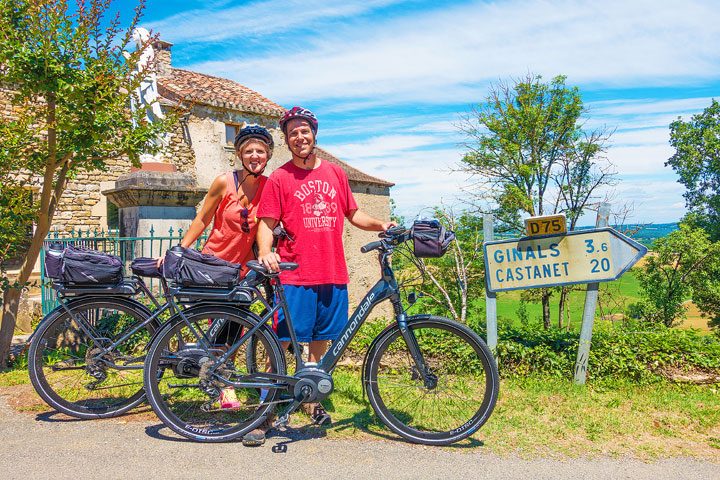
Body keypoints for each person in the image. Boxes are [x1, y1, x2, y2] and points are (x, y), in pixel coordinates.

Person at [242, 106, 395, 447]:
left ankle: (312, 401)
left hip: (331, 271)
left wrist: (382, 224)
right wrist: (266, 251)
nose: (300, 137)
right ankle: (266, 412)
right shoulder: (280, 178)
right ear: (287, 139)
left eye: (305, 131)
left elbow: (353, 213)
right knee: (280, 343)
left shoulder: (336, 174)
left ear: (314, 134)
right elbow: (266, 223)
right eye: (293, 133)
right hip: (295, 274)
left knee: (321, 342)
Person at [158, 124, 273, 409]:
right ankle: (221, 384)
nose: (255, 155)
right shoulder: (224, 182)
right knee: (218, 324)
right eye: (249, 151)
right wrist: (180, 249)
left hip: (243, 270)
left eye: (260, 151)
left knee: (234, 328)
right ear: (239, 154)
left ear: (268, 154)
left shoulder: (270, 187)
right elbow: (202, 218)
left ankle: (221, 378)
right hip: (214, 264)